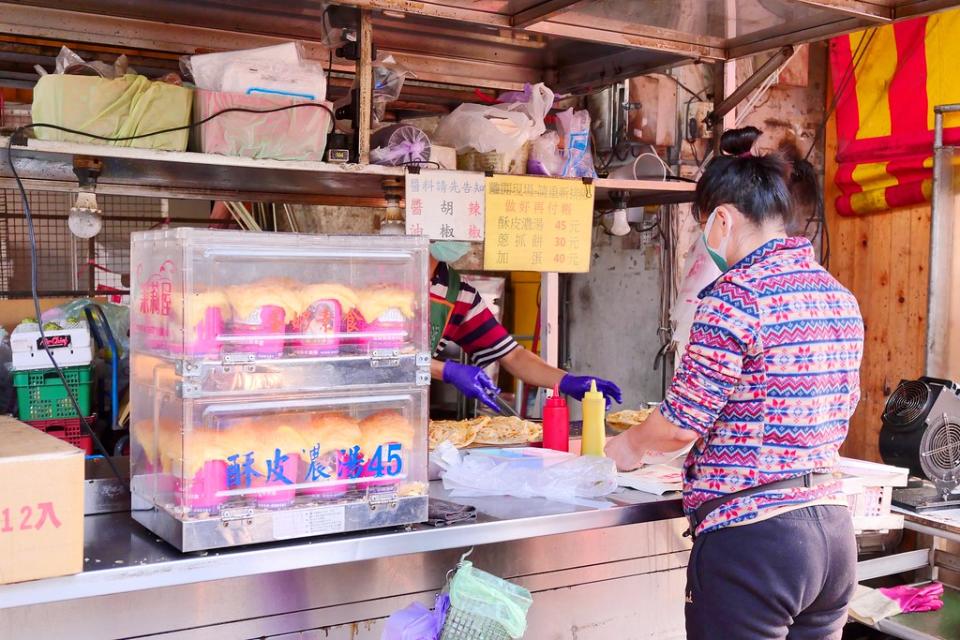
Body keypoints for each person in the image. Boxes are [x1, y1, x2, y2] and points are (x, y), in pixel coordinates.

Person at [605, 132, 864, 640]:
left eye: (704, 225)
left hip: (756, 544)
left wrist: (626, 447)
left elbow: (681, 424)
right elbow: (844, 402)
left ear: (722, 218)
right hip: (833, 538)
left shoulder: (734, 297)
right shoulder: (839, 296)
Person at [427, 240, 621, 412]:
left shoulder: (459, 293)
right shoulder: (398, 277)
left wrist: (566, 381)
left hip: (411, 417)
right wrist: (445, 370)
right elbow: (396, 357)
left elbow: (513, 355)